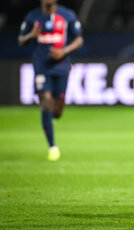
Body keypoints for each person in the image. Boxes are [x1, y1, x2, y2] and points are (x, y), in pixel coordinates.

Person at [18, 0, 83, 161]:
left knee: (57, 111)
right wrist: (30, 36)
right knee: (45, 102)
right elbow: (21, 40)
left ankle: (49, 120)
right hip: (42, 67)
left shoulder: (67, 15)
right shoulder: (33, 17)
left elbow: (79, 39)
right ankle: (52, 147)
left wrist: (64, 51)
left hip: (61, 67)